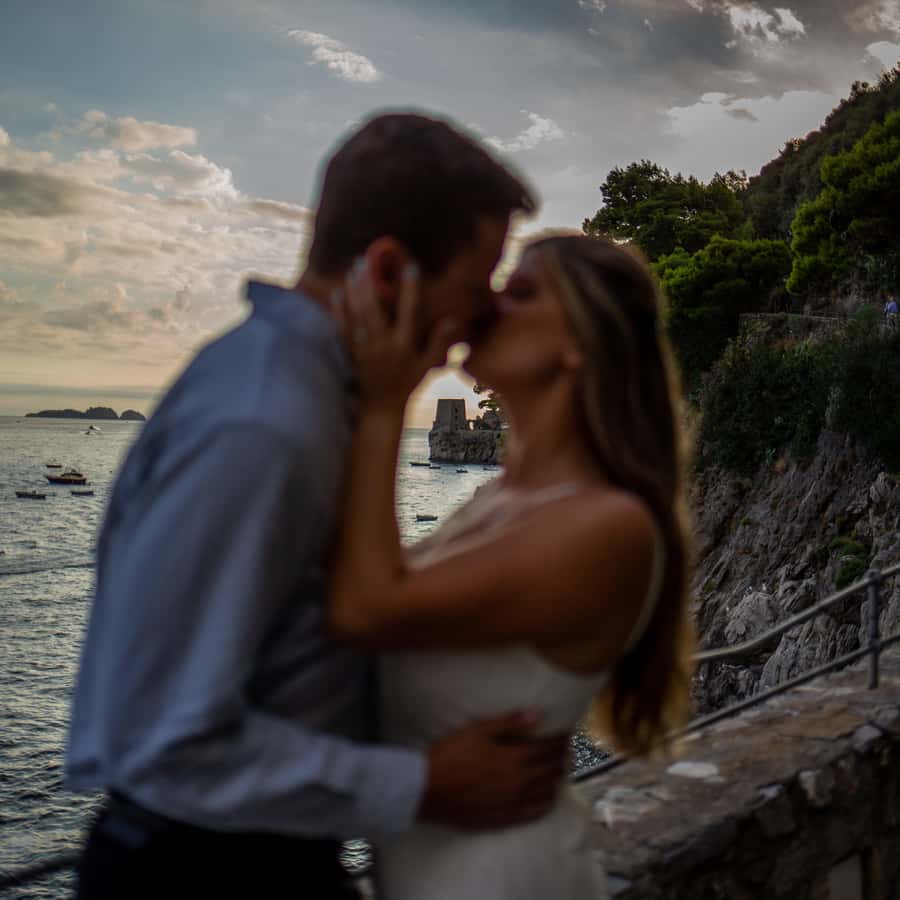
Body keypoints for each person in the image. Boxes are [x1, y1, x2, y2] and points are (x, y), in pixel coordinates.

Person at [65, 113, 570, 900]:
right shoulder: (264, 426)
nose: (472, 333)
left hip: (260, 862)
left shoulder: (316, 400)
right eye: (471, 295)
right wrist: (422, 783)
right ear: (389, 269)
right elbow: (160, 744)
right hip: (203, 876)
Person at [328, 232, 696, 899]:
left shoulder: (607, 526)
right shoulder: (496, 500)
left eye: (521, 291)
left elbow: (364, 606)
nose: (489, 302)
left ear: (578, 345)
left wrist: (382, 401)